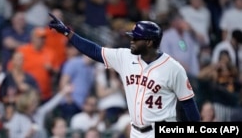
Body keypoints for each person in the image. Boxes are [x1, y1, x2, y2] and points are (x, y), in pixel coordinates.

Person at [48, 13, 200, 138]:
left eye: (135, 38)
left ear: (148, 42)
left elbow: (188, 104)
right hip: (135, 132)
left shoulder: (173, 68)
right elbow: (94, 51)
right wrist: (67, 33)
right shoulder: (125, 57)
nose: (131, 41)